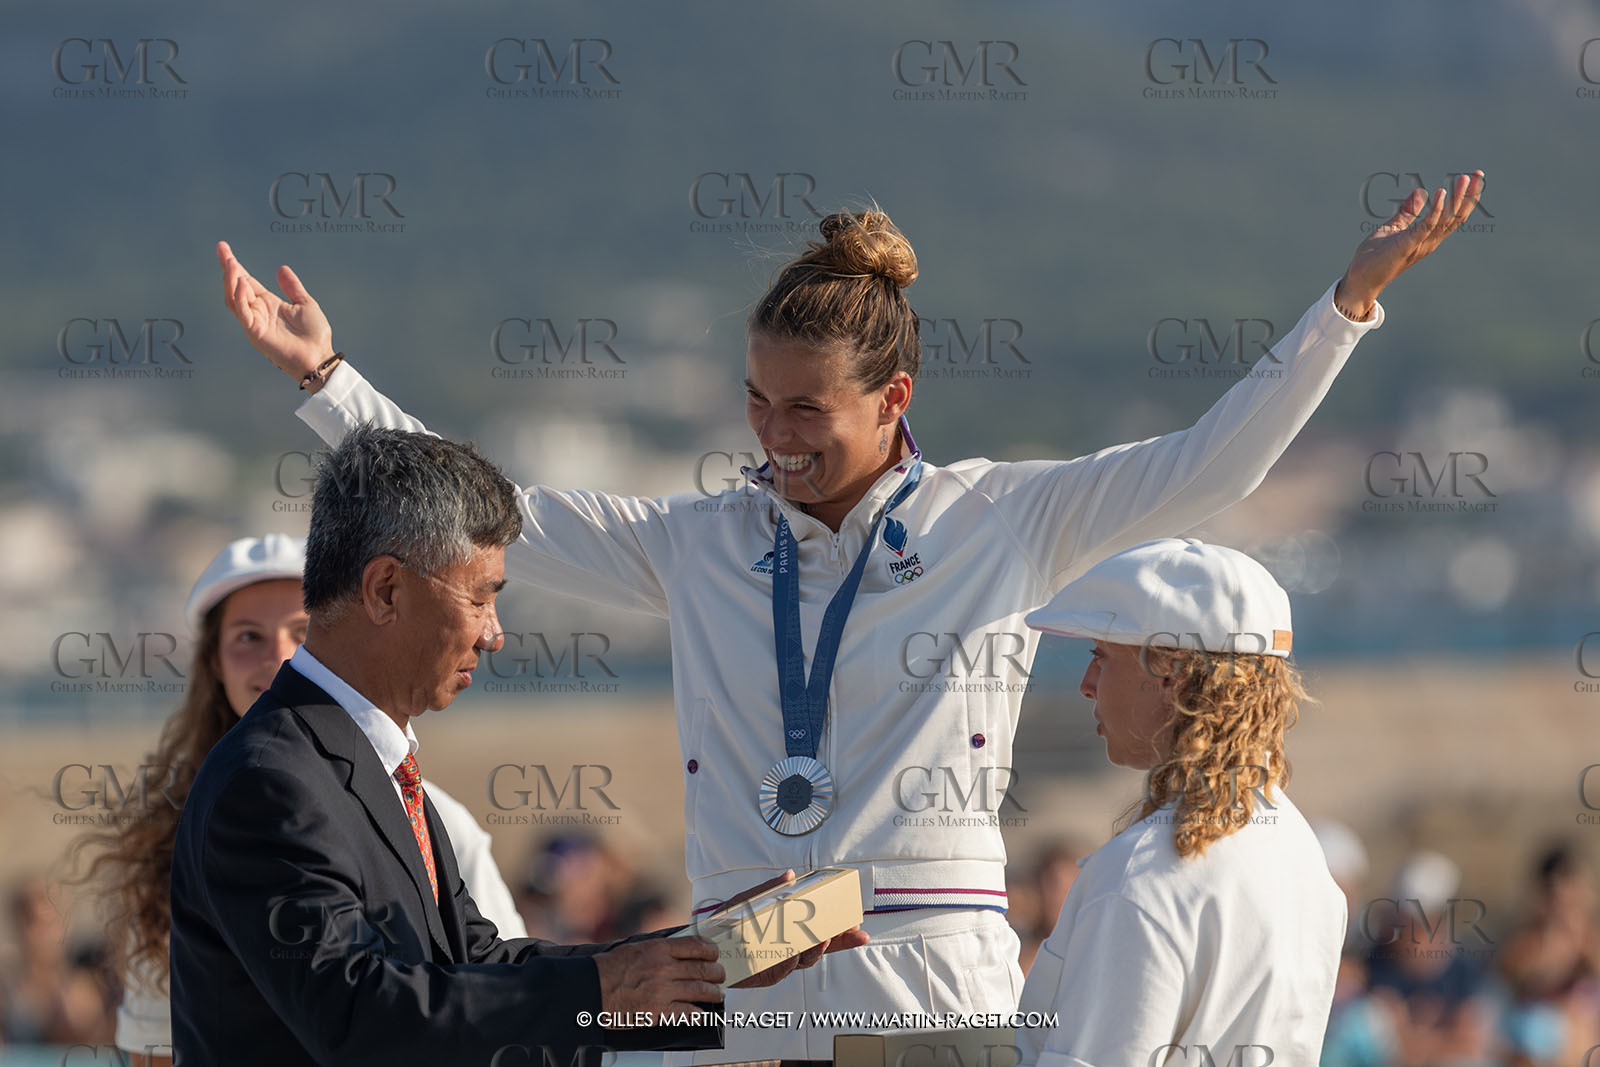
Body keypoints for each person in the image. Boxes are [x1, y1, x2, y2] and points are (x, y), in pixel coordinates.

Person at [215, 173, 1482, 1060]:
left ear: (895, 396)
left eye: (805, 410)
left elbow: (1210, 467)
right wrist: (333, 385)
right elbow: (491, 510)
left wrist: (1345, 308)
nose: (773, 437)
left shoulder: (1002, 521)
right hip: (738, 988)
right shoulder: (702, 539)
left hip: (932, 987)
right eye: (758, 404)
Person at [167, 427, 859, 1066]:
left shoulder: (364, 760)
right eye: (480, 597)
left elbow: (481, 966)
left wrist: (713, 960)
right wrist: (603, 985)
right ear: (384, 590)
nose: (495, 633)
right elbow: (359, 1017)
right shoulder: (271, 778)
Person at [72, 532, 530, 1066]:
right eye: (248, 637)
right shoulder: (173, 839)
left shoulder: (436, 819)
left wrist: (619, 1003)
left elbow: (505, 995)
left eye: (301, 632)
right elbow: (154, 1050)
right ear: (215, 664)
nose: (278, 657)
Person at [1014, 537, 1346, 1065]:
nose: (1086, 684)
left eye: (1101, 657)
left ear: (1173, 673)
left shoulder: (1140, 875)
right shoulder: (1301, 853)